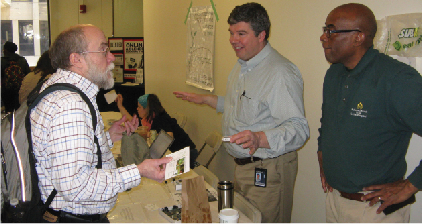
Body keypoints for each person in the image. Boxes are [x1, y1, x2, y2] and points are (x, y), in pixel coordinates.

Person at [174, 2, 309, 222]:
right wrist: (209, 100)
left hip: (269, 169)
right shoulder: (243, 65)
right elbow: (247, 107)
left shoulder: (280, 73)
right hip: (243, 168)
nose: (233, 40)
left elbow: (299, 128)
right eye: (231, 33)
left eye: (241, 33)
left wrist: (259, 137)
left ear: (261, 35)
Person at [29, 24, 171, 223]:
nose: (112, 57)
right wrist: (139, 171)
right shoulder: (70, 105)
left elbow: (64, 156)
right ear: (76, 59)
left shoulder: (59, 89)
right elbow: (76, 186)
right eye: (104, 50)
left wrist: (106, 138)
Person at [318, 3, 422, 223]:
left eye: (331, 30)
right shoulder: (334, 74)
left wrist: (411, 184)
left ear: (358, 37)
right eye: (324, 30)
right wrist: (323, 152)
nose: (323, 37)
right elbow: (327, 122)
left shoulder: (397, 79)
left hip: (374, 210)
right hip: (335, 201)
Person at [116, 93, 199, 169]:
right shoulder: (150, 118)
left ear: (147, 108)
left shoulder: (161, 118)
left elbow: (169, 136)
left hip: (187, 154)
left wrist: (150, 135)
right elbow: (133, 122)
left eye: (139, 107)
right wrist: (120, 106)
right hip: (176, 153)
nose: (137, 109)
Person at [1, 41, 31, 112]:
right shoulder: (22, 60)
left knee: (9, 111)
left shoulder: (2, 61)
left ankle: (9, 122)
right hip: (20, 90)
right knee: (18, 110)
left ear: (5, 50)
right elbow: (28, 74)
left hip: (6, 91)